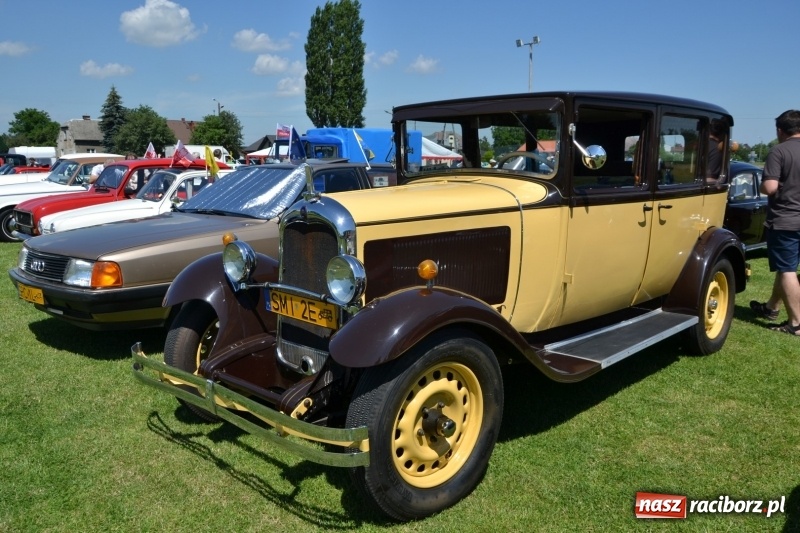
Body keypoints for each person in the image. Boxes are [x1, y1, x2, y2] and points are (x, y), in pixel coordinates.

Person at [750, 109, 800, 336]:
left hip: (786, 220)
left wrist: (762, 186)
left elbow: (770, 188)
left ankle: (796, 323)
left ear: (780, 130)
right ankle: (771, 308)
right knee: (785, 269)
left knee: (787, 269)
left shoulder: (778, 152)